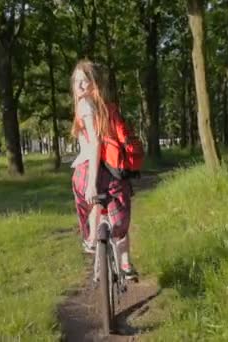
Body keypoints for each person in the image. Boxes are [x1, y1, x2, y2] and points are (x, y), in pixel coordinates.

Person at [70, 59, 138, 280]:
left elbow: (95, 143)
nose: (80, 85)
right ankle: (125, 263)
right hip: (115, 170)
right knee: (118, 218)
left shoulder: (84, 105)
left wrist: (90, 183)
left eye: (85, 80)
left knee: (87, 199)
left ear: (94, 83)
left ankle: (91, 241)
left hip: (93, 169)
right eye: (77, 80)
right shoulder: (107, 108)